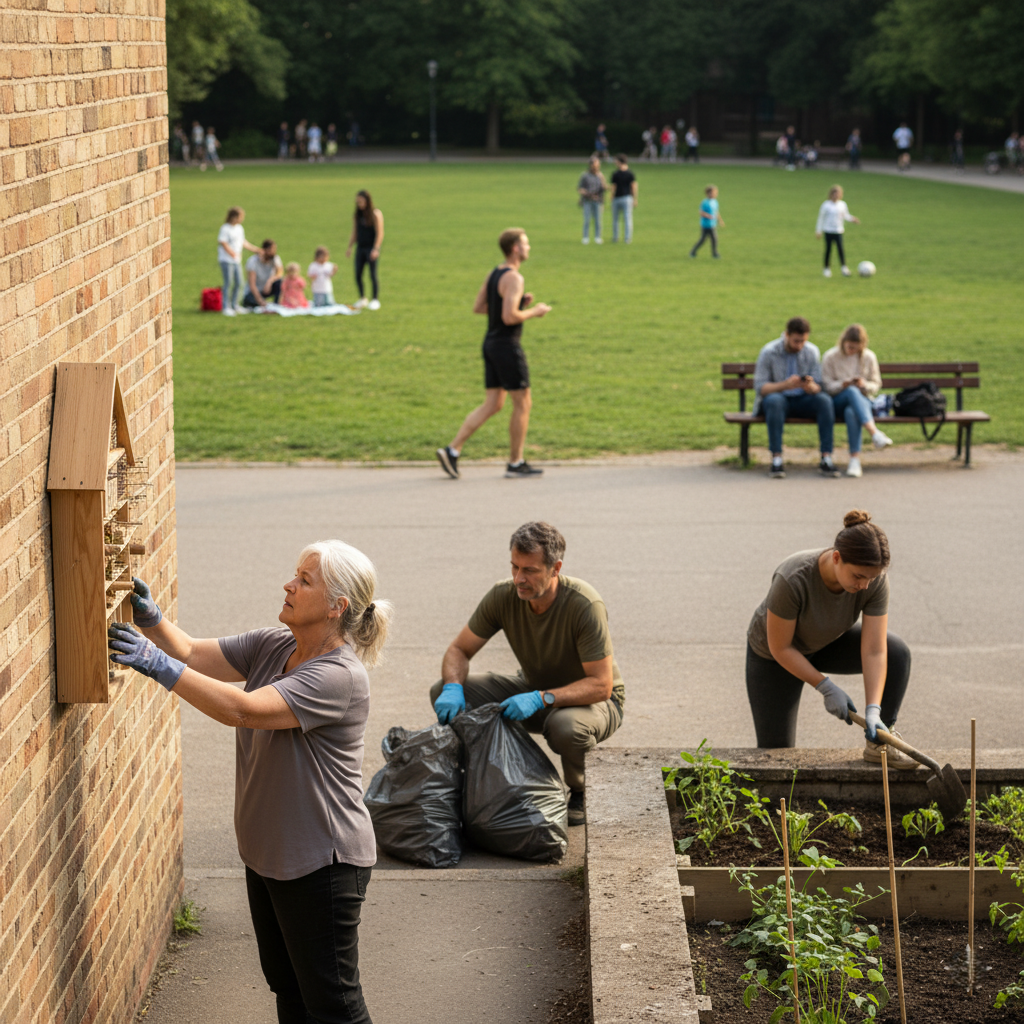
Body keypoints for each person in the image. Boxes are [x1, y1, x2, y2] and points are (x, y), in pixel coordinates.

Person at [107, 541, 392, 1023]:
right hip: (269, 856)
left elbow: (243, 710)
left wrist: (156, 664)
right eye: (295, 574)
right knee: (289, 989)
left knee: (333, 1004)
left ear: (336, 606)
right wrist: (151, 619)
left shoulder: (339, 677)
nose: (289, 584)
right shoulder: (276, 644)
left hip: (321, 861)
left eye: (305, 580)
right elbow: (195, 653)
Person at [429, 522, 624, 826]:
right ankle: (479, 780)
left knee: (566, 727)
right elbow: (459, 650)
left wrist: (543, 698)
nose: (519, 579)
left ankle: (580, 790)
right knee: (443, 688)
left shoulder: (584, 604)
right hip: (532, 689)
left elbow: (601, 686)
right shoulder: (503, 595)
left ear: (555, 568)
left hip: (594, 703)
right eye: (514, 567)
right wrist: (453, 687)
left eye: (530, 570)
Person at [744, 509, 916, 767]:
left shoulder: (873, 580)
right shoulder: (792, 577)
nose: (864, 586)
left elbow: (874, 650)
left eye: (871, 578)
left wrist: (873, 709)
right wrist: (825, 686)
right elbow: (780, 647)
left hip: (826, 641)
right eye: (858, 576)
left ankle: (879, 741)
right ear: (836, 557)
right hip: (774, 656)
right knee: (776, 757)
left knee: (897, 654)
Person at [436, 228, 551, 480]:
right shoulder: (514, 278)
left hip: (490, 343)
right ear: (515, 248)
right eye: (526, 244)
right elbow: (508, 317)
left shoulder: (494, 273)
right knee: (523, 403)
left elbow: (480, 307)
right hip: (507, 346)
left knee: (493, 403)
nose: (529, 248)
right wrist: (534, 311)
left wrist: (519, 305)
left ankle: (452, 450)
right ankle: (515, 463)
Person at [752, 316, 838, 479]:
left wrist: (811, 387)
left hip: (803, 399)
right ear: (786, 335)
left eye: (803, 341)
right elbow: (761, 388)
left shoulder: (811, 351)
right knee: (775, 401)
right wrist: (785, 385)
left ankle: (826, 457)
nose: (799, 345)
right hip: (777, 399)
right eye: (796, 341)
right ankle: (776, 459)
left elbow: (820, 385)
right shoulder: (769, 352)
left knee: (824, 401)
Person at [821, 325, 894, 478]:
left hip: (863, 402)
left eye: (855, 348)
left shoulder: (869, 357)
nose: (851, 350)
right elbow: (826, 386)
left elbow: (876, 384)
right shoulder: (830, 357)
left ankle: (854, 460)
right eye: (849, 347)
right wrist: (843, 384)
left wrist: (864, 385)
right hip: (837, 401)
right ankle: (874, 433)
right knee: (851, 391)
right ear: (843, 342)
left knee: (851, 411)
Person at [217, 207, 262, 316]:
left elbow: (243, 242)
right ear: (234, 217)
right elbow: (223, 242)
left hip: (236, 260)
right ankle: (226, 307)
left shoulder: (239, 228)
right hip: (226, 260)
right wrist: (231, 253)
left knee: (239, 282)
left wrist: (255, 249)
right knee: (228, 283)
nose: (242, 219)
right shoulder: (225, 228)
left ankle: (235, 305)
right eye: (240, 217)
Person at [345, 190, 384, 310]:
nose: (359, 204)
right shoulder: (357, 215)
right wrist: (350, 247)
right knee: (358, 274)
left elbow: (380, 233)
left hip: (371, 248)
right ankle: (362, 298)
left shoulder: (375, 214)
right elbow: (355, 232)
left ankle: (375, 299)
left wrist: (376, 249)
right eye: (357, 202)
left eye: (361, 201)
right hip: (360, 247)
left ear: (367, 201)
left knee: (372, 274)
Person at [815, 184, 859, 278]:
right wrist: (818, 231)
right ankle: (826, 269)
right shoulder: (826, 205)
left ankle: (844, 268)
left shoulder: (842, 204)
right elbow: (821, 218)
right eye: (834, 194)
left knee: (840, 250)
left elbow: (845, 215)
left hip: (838, 231)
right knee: (828, 250)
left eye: (838, 194)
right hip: (828, 231)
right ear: (831, 194)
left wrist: (852, 219)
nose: (836, 196)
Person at [243, 240, 284, 309]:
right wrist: (260, 300)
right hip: (256, 291)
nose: (273, 252)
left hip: (267, 288)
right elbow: (252, 285)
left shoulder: (274, 258)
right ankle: (260, 303)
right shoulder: (253, 262)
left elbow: (280, 272)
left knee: (280, 282)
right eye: (271, 250)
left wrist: (270, 281)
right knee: (250, 301)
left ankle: (277, 304)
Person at [577, 157, 607, 244]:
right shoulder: (585, 176)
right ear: (591, 165)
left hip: (598, 201)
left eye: (598, 164)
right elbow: (580, 188)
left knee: (598, 220)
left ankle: (598, 237)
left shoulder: (600, 175)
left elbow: (603, 188)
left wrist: (606, 188)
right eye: (596, 164)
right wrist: (587, 194)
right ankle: (585, 237)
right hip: (587, 201)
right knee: (587, 219)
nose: (597, 166)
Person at [689, 184, 723, 259]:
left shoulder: (715, 202)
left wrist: (720, 220)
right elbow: (701, 212)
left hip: (712, 224)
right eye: (713, 193)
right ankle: (694, 252)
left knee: (711, 239)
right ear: (708, 193)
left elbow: (716, 212)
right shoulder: (705, 202)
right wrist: (708, 216)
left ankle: (713, 253)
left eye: (716, 193)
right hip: (706, 225)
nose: (715, 194)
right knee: (706, 239)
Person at [610, 154, 638, 243]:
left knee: (625, 219)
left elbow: (633, 186)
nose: (615, 163)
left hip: (625, 198)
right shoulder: (617, 174)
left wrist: (634, 198)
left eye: (616, 161)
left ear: (619, 161)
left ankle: (625, 238)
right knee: (618, 219)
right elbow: (614, 186)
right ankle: (618, 237)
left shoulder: (628, 174)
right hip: (621, 198)